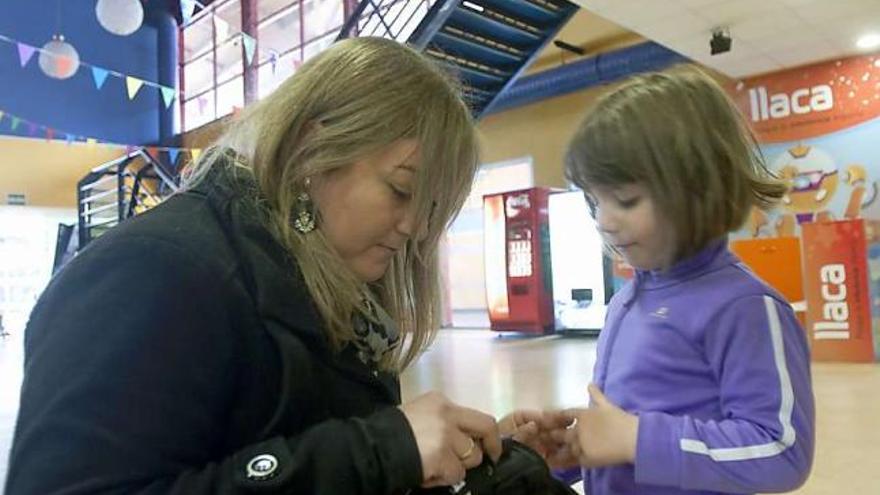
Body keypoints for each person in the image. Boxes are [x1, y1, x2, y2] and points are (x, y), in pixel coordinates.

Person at [5, 37, 565, 495]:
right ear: (311, 143)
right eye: (401, 190)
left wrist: (456, 455)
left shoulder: (317, 276)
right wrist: (380, 451)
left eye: (434, 209)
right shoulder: (154, 271)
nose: (418, 229)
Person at [556, 67, 815, 494]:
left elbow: (781, 449)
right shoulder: (626, 301)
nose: (603, 221)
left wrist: (637, 439)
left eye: (625, 200)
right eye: (593, 200)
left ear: (698, 187)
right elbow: (626, 428)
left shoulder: (745, 308)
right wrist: (577, 448)